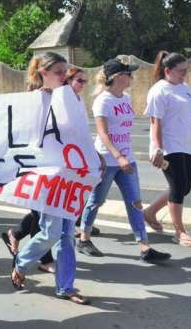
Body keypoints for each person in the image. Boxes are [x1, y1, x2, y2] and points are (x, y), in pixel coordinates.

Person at [11, 52, 89, 305]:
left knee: (66, 235)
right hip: (47, 176)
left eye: (65, 72)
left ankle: (65, 286)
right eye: (58, 72)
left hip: (70, 173)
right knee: (51, 233)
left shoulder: (69, 97)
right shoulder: (35, 100)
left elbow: (78, 131)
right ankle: (21, 264)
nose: (64, 76)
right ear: (43, 72)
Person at [76, 58, 171, 263]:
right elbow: (103, 134)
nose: (132, 77)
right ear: (118, 77)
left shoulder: (125, 98)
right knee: (96, 200)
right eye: (129, 74)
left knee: (135, 202)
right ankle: (84, 238)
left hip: (127, 160)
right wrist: (118, 157)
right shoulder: (102, 101)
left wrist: (127, 156)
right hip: (107, 161)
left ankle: (144, 247)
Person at [141, 51, 191, 248]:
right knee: (178, 188)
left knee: (184, 188)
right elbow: (155, 123)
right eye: (181, 71)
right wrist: (158, 149)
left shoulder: (185, 88)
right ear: (167, 70)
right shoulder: (159, 91)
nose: (185, 75)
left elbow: (190, 119)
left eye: (186, 71)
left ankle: (150, 212)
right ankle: (180, 232)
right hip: (168, 147)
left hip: (184, 145)